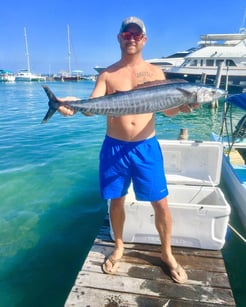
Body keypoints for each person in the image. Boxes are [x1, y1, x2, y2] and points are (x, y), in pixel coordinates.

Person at [58, 16, 196, 283]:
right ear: (119, 38)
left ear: (144, 39)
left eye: (136, 34)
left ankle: (167, 253)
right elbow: (92, 107)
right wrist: (72, 107)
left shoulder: (156, 74)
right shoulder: (107, 74)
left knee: (161, 203)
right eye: (127, 34)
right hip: (114, 148)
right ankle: (119, 245)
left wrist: (183, 107)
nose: (131, 38)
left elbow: (167, 109)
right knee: (116, 200)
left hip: (146, 147)